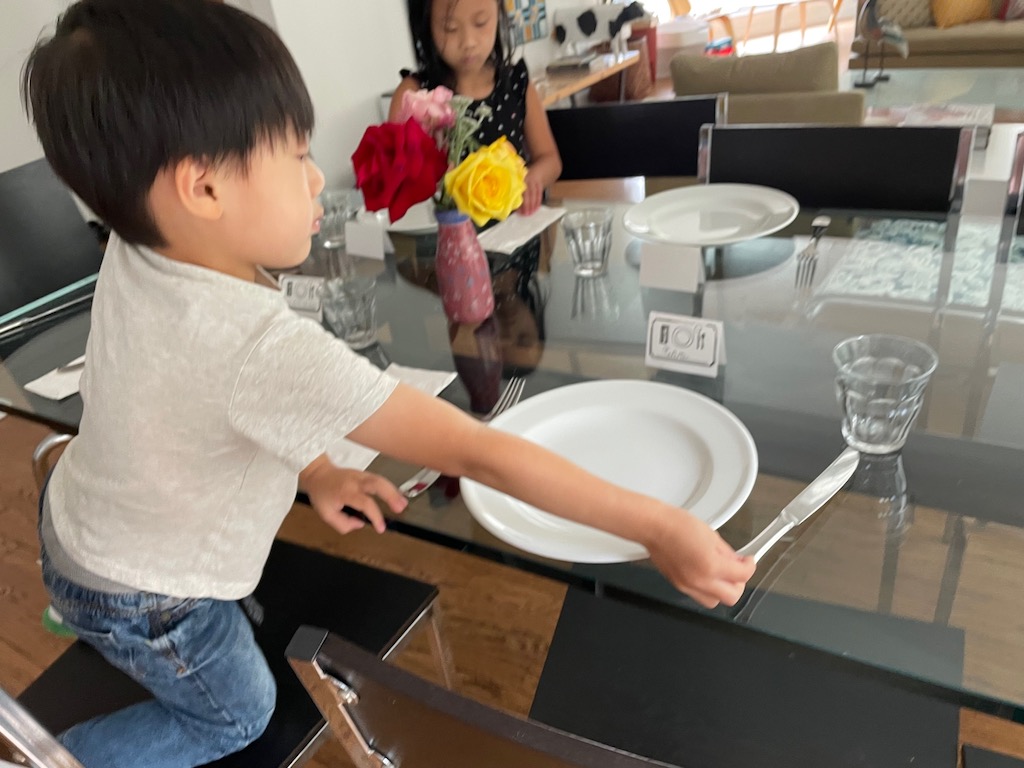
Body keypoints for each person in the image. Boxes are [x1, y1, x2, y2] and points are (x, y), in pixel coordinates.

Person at [22, 1, 753, 766]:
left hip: (79, 524)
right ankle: (40, 757)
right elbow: (480, 453)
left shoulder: (136, 247)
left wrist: (317, 468)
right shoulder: (254, 345)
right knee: (237, 716)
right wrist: (658, 527)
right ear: (203, 190)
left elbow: (198, 403)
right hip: (147, 595)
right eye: (298, 157)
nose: (316, 181)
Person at [388, 0, 562, 216]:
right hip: (447, 236)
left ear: (498, 15)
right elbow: (397, 180)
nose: (468, 42)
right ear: (425, 26)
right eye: (450, 28)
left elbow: (550, 160)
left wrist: (533, 177)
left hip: (516, 231)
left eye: (481, 23)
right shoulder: (414, 97)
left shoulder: (516, 83)